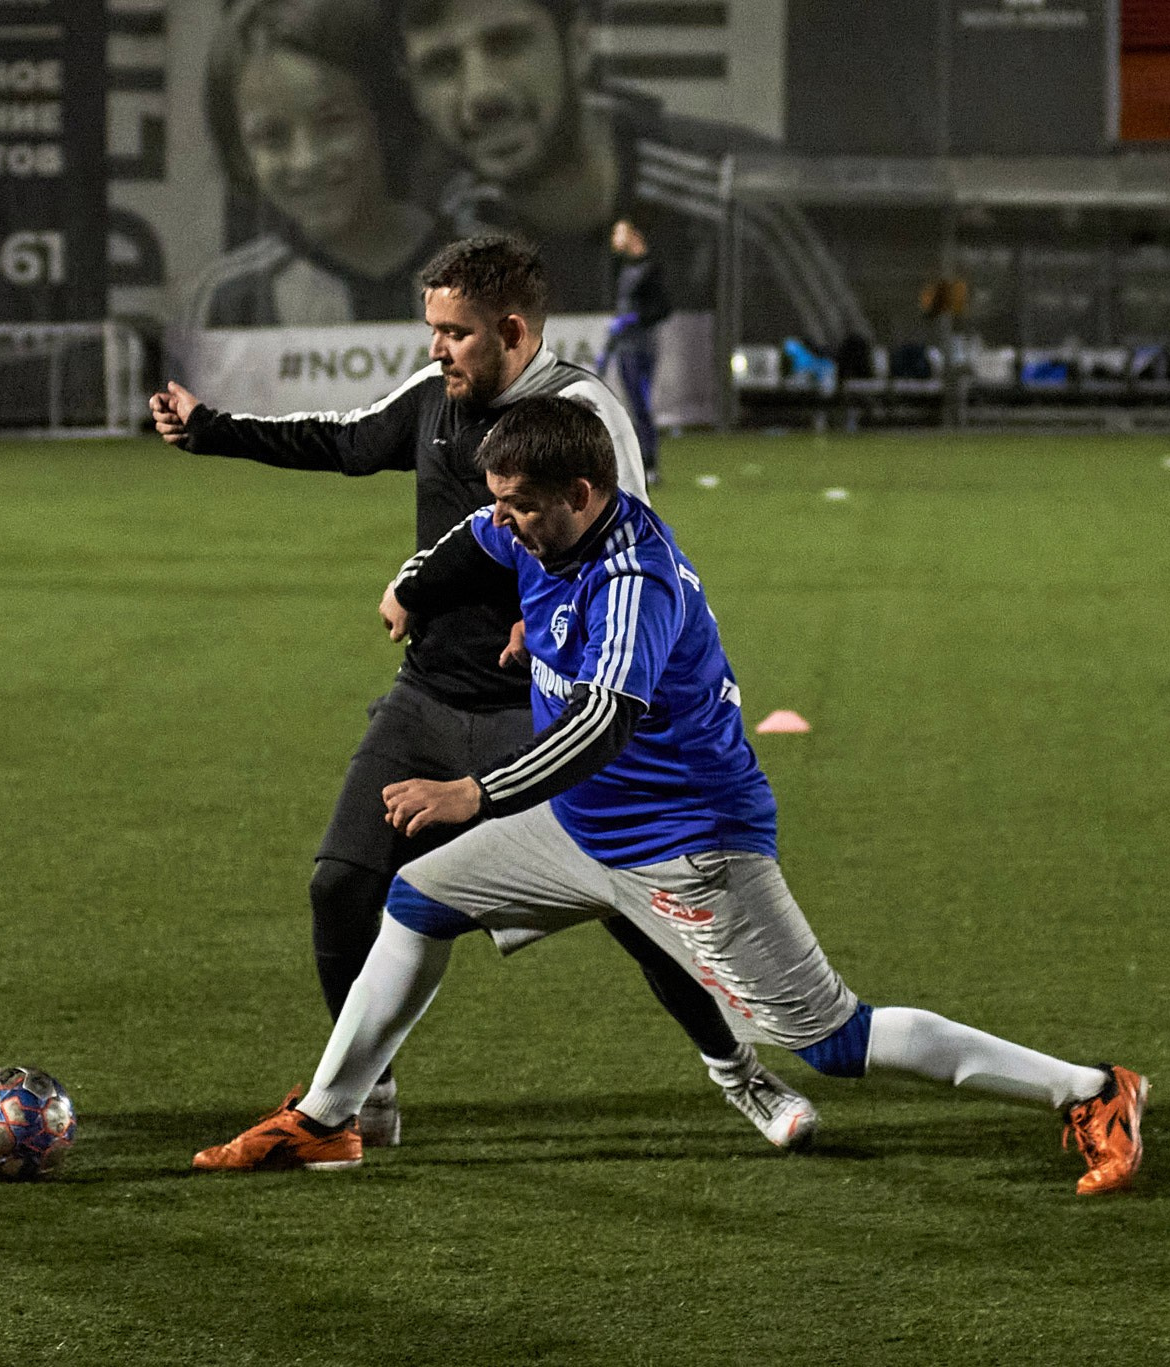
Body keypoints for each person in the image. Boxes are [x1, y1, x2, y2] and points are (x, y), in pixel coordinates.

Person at [191, 395, 1148, 1197]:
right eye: (500, 500)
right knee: (418, 897)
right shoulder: (537, 524)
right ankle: (327, 1117)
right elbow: (475, 542)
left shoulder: (632, 579)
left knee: (836, 1038)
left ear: (584, 492)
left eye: (523, 505)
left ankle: (1092, 1088)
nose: (506, 519)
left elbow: (598, 729)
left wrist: (471, 792)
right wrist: (416, 585)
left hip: (691, 842)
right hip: (583, 828)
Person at [151, 235, 817, 1150]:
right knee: (342, 884)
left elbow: (637, 548)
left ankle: (742, 1077)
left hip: (542, 709)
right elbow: (345, 440)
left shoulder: (582, 412)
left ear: (510, 330)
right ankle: (358, 1103)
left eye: (453, 333)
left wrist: (554, 630)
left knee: (634, 904)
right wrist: (210, 427)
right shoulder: (436, 402)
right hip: (426, 698)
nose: (435, 350)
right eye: (433, 329)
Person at [397, 0, 735, 314]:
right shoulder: (441, 246)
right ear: (415, 96)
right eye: (441, 66)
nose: (482, 94)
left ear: (578, 45)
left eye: (508, 44)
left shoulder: (730, 208)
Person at [187, 0, 450, 327]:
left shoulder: (491, 268)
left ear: (383, 116)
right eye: (272, 136)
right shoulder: (232, 299)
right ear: (240, 153)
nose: (307, 160)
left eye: (333, 122)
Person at [600, 219, 669, 484]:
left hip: (643, 346)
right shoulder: (624, 269)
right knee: (631, 405)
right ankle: (637, 462)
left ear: (634, 235)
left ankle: (650, 464)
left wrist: (635, 318)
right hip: (624, 345)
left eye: (620, 233)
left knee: (642, 404)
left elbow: (662, 309)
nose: (615, 239)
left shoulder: (651, 269)